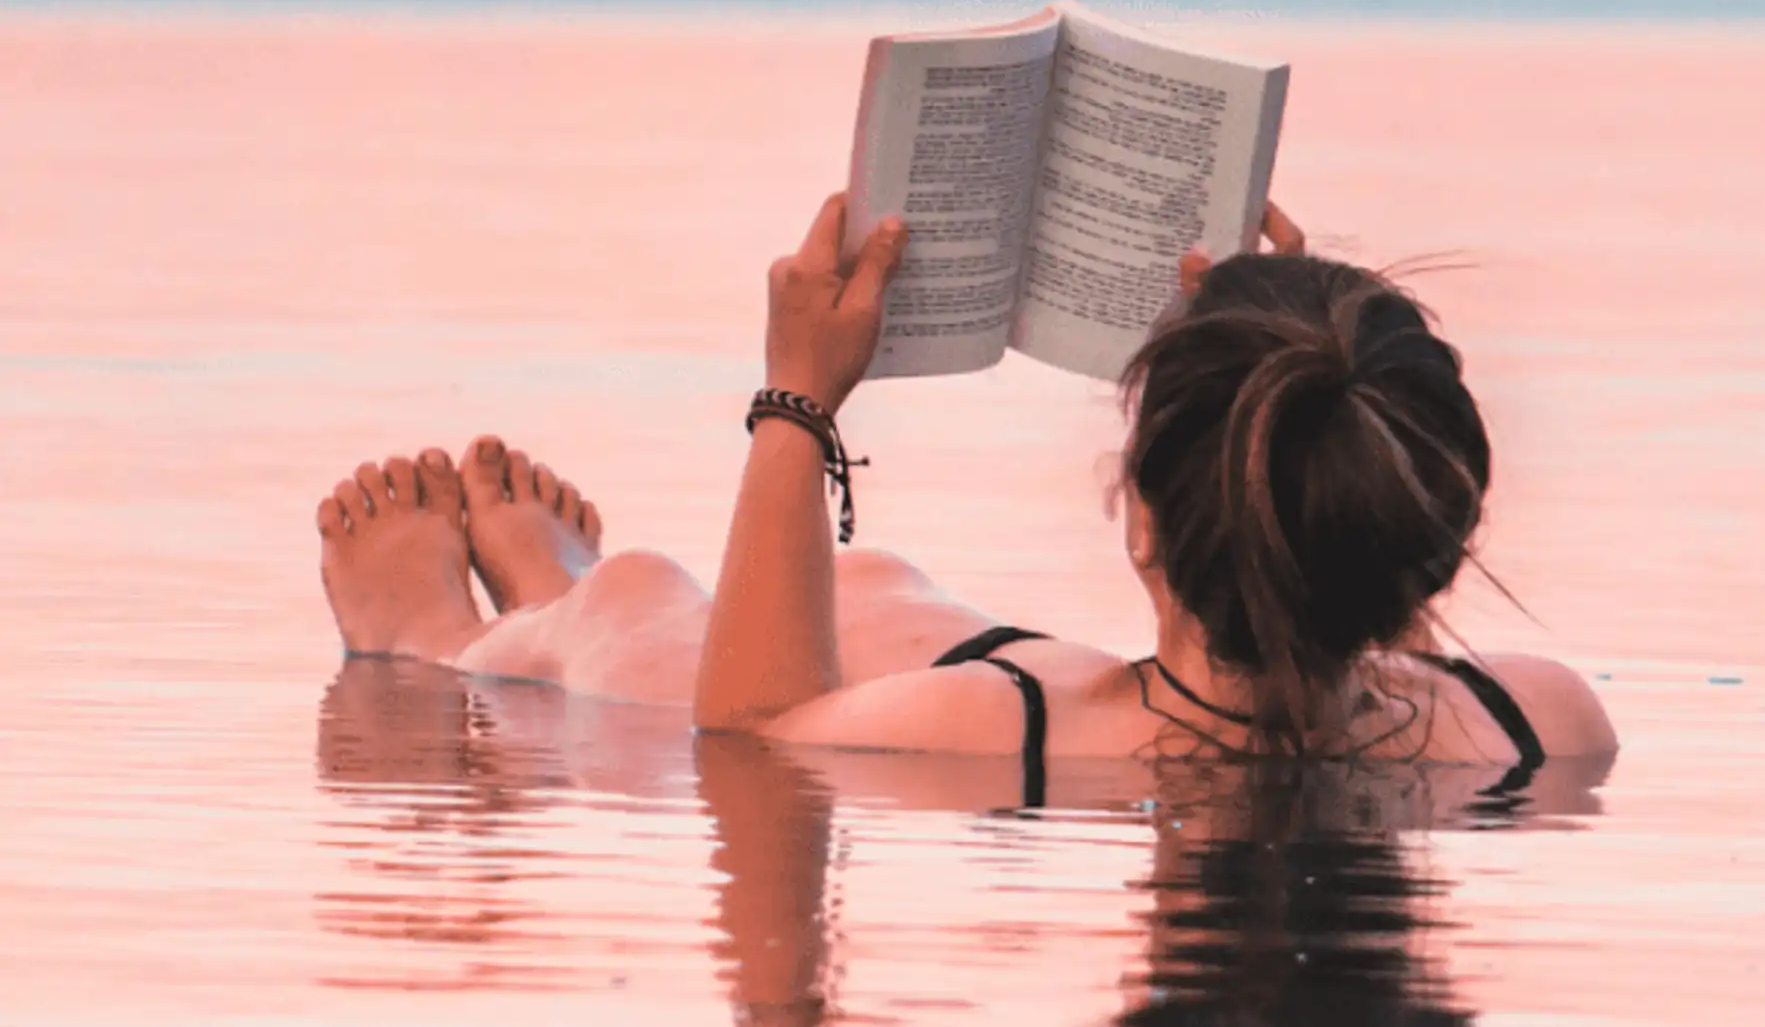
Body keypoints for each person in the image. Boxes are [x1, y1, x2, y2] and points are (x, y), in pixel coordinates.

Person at [316, 196, 1615, 796]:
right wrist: (1292, 365)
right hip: (1036, 669)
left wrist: (798, 404)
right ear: (1431, 537)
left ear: (1141, 519)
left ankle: (447, 637)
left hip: (1039, 697)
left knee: (653, 608)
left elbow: (754, 724)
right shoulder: (1541, 722)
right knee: (876, 585)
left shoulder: (987, 738)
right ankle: (555, 589)